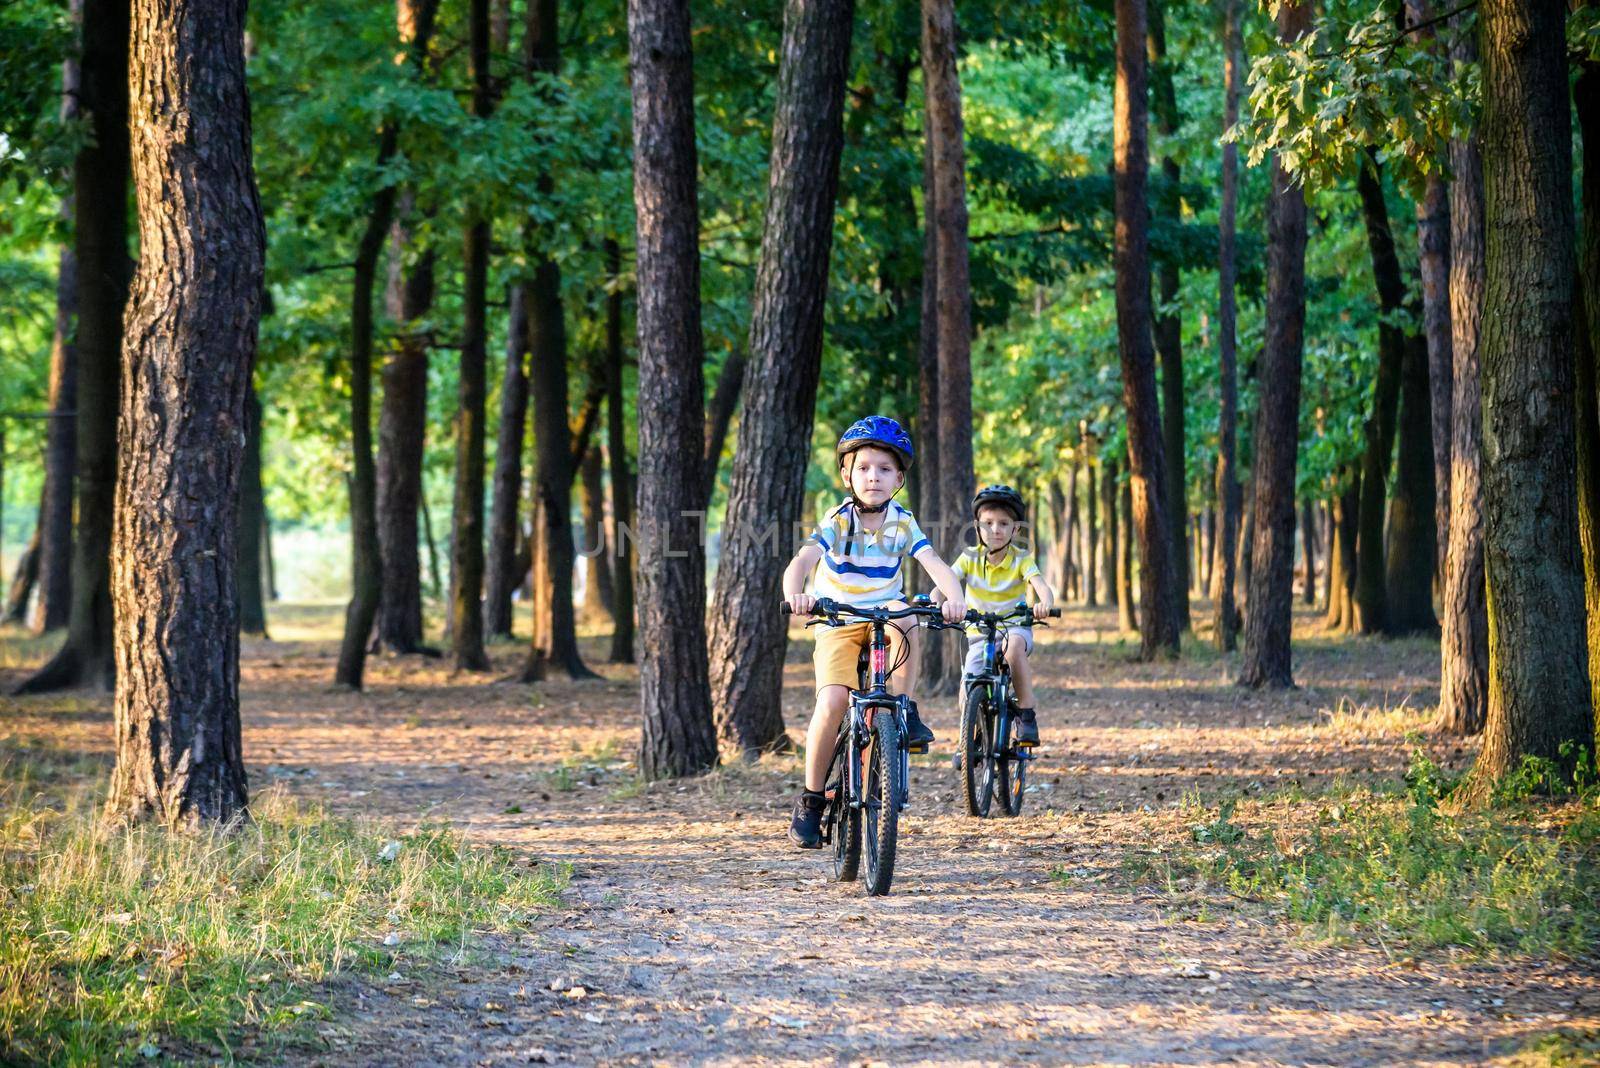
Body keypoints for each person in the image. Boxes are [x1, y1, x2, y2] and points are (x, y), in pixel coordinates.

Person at [780, 416, 966, 848]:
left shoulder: (903, 522)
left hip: (884, 620)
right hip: (839, 620)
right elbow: (800, 565)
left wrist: (954, 599)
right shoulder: (836, 520)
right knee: (833, 700)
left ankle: (903, 708)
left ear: (898, 478)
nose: (873, 477)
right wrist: (797, 596)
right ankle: (811, 799)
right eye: (863, 468)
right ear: (847, 474)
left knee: (907, 611)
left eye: (884, 469)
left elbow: (937, 566)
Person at [946, 484, 1054, 747]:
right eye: (988, 523)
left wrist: (1045, 603)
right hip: (979, 634)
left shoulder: (1021, 559)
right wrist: (936, 601)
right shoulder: (969, 557)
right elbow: (945, 582)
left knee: (1013, 648)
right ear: (977, 527)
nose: (995, 530)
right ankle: (969, 740)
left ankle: (1026, 715)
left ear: (1016, 529)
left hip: (1013, 628)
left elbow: (1042, 587)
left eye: (1004, 523)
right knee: (967, 685)